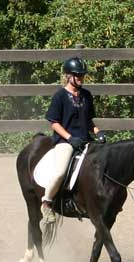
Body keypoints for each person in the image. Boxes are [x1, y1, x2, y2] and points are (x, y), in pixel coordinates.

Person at [41, 57, 106, 226]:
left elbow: (89, 121)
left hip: (86, 140)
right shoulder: (60, 97)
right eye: (77, 75)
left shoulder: (86, 95)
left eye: (82, 75)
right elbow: (54, 123)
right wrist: (70, 138)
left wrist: (98, 132)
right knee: (61, 171)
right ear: (68, 76)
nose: (80, 78)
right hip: (66, 141)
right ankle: (47, 203)